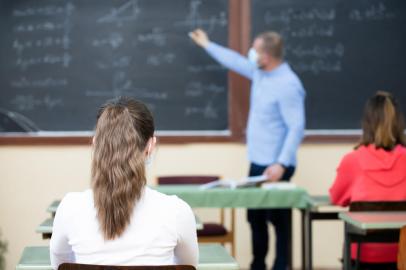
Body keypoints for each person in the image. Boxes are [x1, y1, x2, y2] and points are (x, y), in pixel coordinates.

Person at [190, 29, 305, 270]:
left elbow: (296, 127)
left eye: (255, 50)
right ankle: (258, 265)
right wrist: (208, 45)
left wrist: (281, 164)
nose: (250, 53)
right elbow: (235, 61)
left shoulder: (288, 84)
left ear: (266, 57)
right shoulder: (260, 72)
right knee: (256, 219)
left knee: (279, 221)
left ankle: (281, 266)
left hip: (277, 165)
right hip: (258, 161)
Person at [50, 97, 198, 269]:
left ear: (96, 144)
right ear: (150, 146)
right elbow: (189, 266)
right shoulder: (177, 211)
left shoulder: (70, 207)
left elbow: (59, 264)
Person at [329, 91, 406, 269]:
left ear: (367, 124)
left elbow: (337, 198)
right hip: (403, 255)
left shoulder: (353, 160)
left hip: (364, 256)